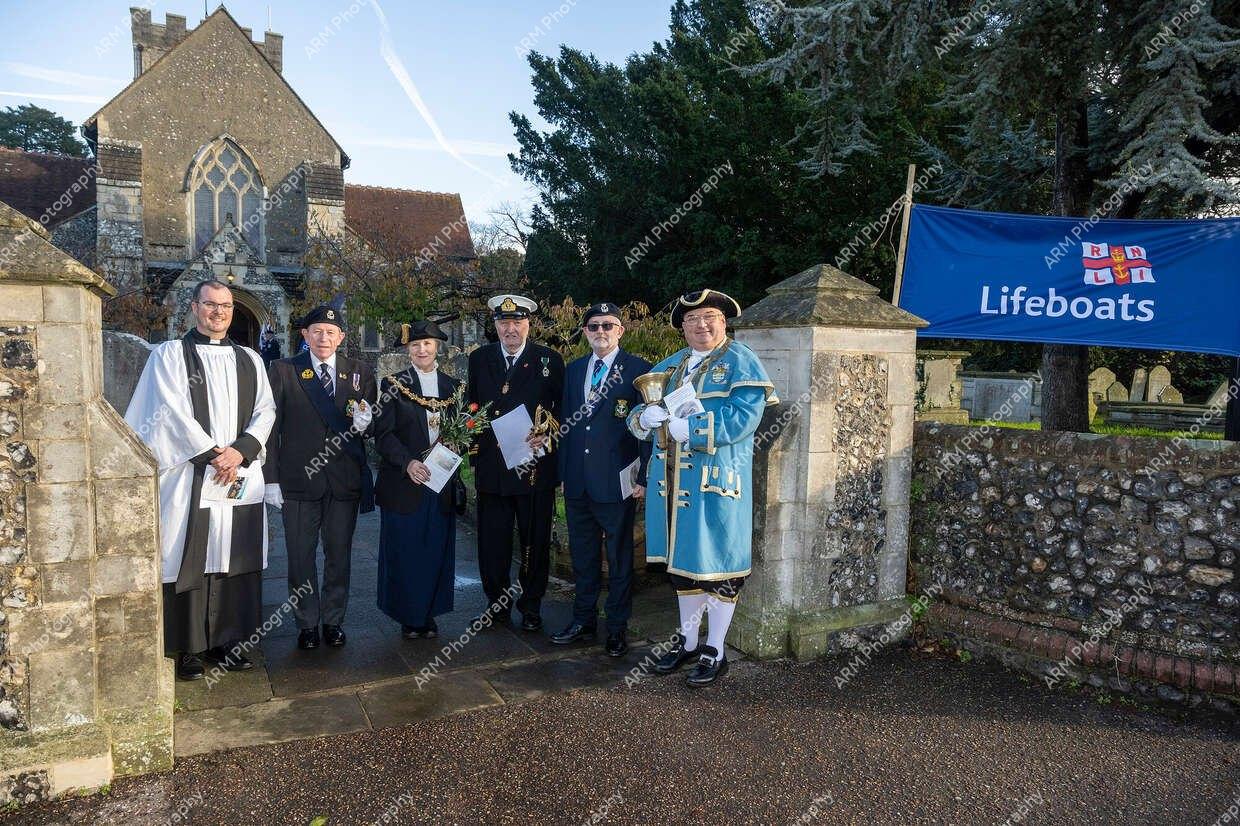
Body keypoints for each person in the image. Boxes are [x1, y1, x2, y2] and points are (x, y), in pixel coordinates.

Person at [124, 278, 276, 681]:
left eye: (225, 306)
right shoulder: (170, 355)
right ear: (194, 307)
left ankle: (229, 640)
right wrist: (213, 455)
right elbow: (168, 412)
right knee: (191, 552)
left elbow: (266, 411)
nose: (218, 312)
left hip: (238, 472)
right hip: (191, 473)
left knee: (234, 553)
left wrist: (240, 451)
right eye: (210, 304)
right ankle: (189, 647)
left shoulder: (250, 359)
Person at [627, 289, 777, 686]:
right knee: (683, 568)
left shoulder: (741, 360)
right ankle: (689, 641)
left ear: (723, 322)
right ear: (682, 327)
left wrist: (688, 428)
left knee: (720, 568)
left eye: (709, 316)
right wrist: (644, 419)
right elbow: (638, 411)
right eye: (692, 319)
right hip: (671, 485)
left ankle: (717, 649)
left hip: (716, 480)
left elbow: (744, 418)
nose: (701, 324)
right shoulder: (672, 365)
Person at [263, 305, 375, 651]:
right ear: (305, 335)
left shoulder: (360, 372)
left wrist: (366, 424)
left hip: (343, 481)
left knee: (339, 555)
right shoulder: (283, 370)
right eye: (317, 331)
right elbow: (270, 429)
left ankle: (333, 621)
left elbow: (370, 421)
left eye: (330, 332)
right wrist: (270, 479)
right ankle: (307, 623)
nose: (323, 338)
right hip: (298, 481)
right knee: (300, 557)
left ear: (341, 337)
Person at [550, 303, 652, 657]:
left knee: (619, 557)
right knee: (583, 556)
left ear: (620, 330)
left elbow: (647, 428)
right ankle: (583, 621)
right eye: (594, 326)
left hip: (618, 480)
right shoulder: (575, 370)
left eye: (608, 325)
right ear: (585, 332)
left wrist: (645, 475)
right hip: (578, 480)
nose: (601, 332)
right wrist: (564, 473)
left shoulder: (639, 370)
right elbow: (566, 425)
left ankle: (617, 627)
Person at [466, 294, 565, 631]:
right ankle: (496, 605)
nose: (511, 329)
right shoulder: (480, 359)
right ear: (495, 326)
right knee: (492, 543)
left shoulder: (549, 360)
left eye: (517, 322)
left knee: (534, 541)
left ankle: (531, 606)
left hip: (534, 466)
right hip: (493, 467)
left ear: (528, 324)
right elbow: (472, 407)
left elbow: (564, 411)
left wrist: (548, 436)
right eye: (504, 322)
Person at [373, 320, 466, 638]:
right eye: (415, 345)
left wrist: (458, 444)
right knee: (406, 550)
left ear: (437, 346)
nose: (422, 349)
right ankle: (408, 616)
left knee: (435, 549)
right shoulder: (393, 384)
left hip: (440, 482)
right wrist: (408, 463)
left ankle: (429, 613)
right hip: (405, 482)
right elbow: (383, 435)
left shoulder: (455, 387)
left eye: (427, 343)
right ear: (408, 350)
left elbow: (465, 428)